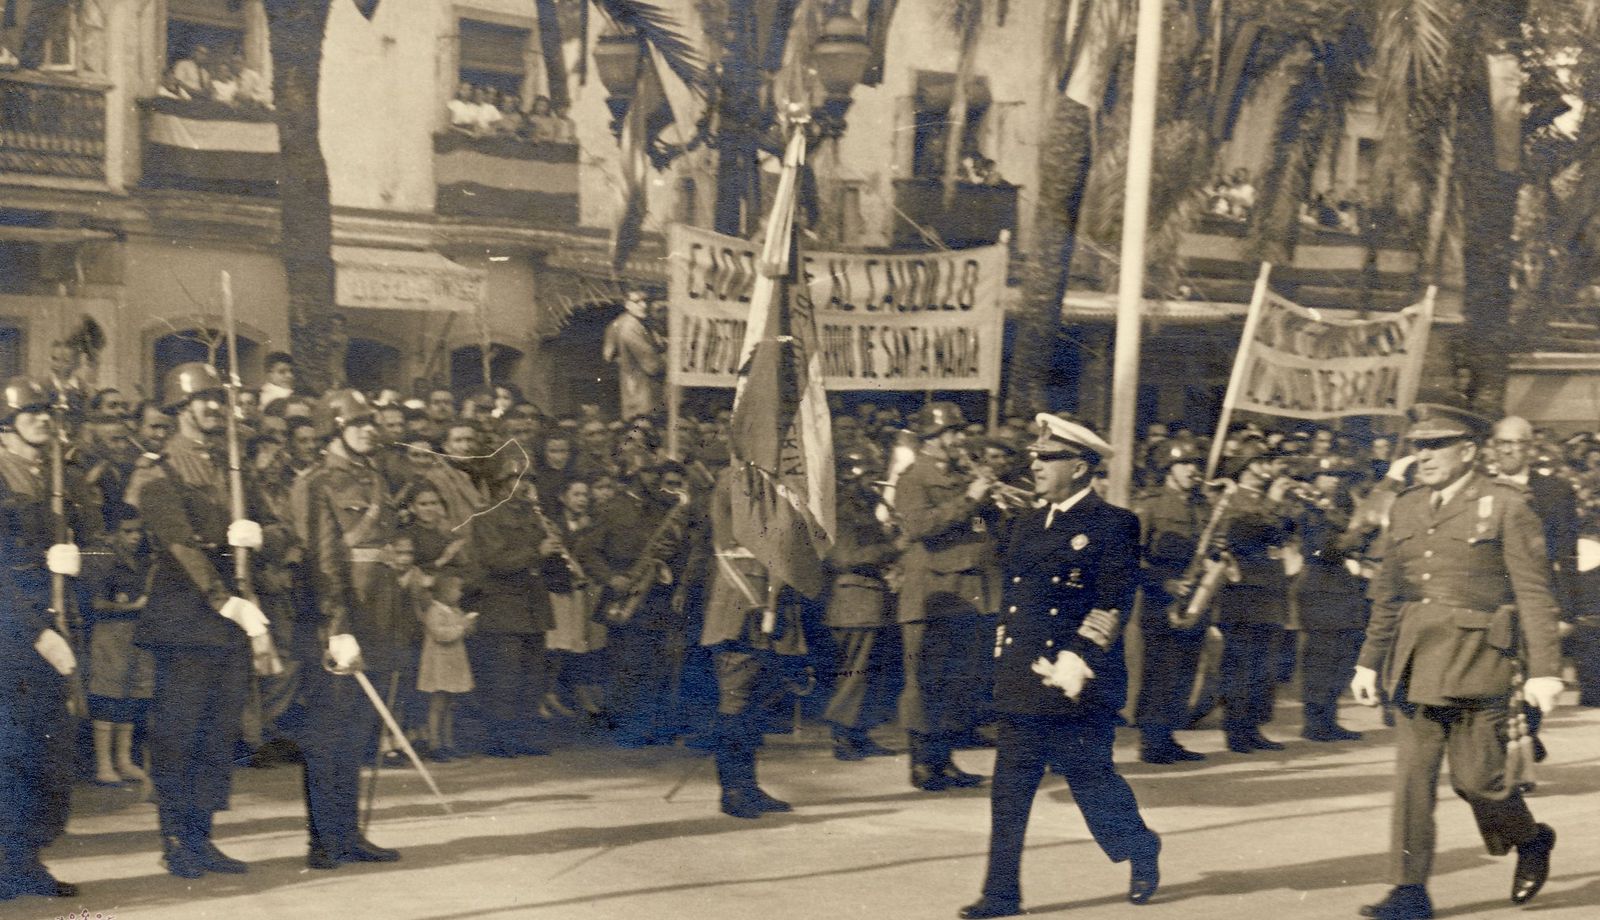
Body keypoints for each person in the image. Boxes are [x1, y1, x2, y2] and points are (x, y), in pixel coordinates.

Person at [1351, 404, 1564, 920]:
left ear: (1467, 452)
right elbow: (1388, 595)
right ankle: (1409, 891)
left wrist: (1543, 671)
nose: (1421, 457)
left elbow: (1534, 592)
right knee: (1411, 782)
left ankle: (1530, 838)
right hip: (1414, 662)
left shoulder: (1507, 505)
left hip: (1478, 661)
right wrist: (1367, 662)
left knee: (1479, 782)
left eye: (1434, 447)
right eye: (1417, 447)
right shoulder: (1404, 507)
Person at [960, 415, 1161, 919]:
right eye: (1034, 456)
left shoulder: (1114, 523)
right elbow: (1014, 598)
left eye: (1047, 458)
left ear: (1081, 466)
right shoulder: (1027, 522)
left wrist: (1080, 657)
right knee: (1010, 789)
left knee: (1092, 782)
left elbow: (1113, 600)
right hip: (1026, 676)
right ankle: (1001, 892)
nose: (1035, 464)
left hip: (1078, 681)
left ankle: (1139, 846)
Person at [131, 363, 275, 878]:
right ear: (179, 409)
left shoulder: (233, 469)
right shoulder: (158, 471)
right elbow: (179, 546)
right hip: (187, 619)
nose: (215, 407)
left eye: (219, 399)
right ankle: (175, 840)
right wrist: (224, 599)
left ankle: (202, 836)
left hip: (231, 620)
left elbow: (276, 525)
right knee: (179, 732)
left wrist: (260, 537)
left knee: (217, 733)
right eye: (203, 400)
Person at [286, 389, 403, 869]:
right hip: (335, 622)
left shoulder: (373, 476)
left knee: (356, 733)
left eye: (371, 422)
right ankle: (323, 841)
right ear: (335, 428)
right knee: (328, 733)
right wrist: (336, 626)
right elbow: (323, 560)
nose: (368, 430)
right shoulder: (315, 483)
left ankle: (350, 832)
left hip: (376, 616)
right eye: (357, 423)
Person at [0, 378, 81, 900]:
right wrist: (36, 632)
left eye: (45, 411)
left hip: (51, 624)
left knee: (43, 753)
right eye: (29, 413)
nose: (42, 419)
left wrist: (77, 563)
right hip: (11, 635)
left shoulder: (51, 476)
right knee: (9, 752)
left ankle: (25, 859)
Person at [895, 402, 996, 791]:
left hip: (965, 594)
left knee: (957, 682)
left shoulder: (958, 476)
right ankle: (922, 764)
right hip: (930, 594)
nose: (958, 440)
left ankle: (944, 760)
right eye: (951, 434)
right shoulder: (913, 477)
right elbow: (919, 525)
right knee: (925, 682)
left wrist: (990, 503)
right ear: (930, 440)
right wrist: (971, 498)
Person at [699, 464, 805, 818]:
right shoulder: (735, 478)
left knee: (756, 703)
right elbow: (748, 532)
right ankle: (732, 790)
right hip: (741, 601)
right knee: (736, 699)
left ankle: (748, 784)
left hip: (768, 601)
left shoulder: (770, 480)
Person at [463, 461, 557, 758]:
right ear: (501, 485)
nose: (524, 486)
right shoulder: (487, 516)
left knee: (531, 677)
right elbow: (496, 560)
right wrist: (537, 552)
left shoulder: (534, 515)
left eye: (527, 480)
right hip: (503, 604)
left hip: (532, 605)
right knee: (504, 679)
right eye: (516, 480)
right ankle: (501, 739)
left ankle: (524, 736)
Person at [1212, 442, 1295, 753]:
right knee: (1241, 667)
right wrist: (1273, 504)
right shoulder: (1232, 498)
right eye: (1265, 462)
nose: (1271, 468)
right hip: (1243, 595)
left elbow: (1283, 533)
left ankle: (1253, 728)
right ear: (1249, 467)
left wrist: (1283, 506)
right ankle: (1236, 732)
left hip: (1268, 593)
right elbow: (1243, 533)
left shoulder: (1264, 500)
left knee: (1263, 669)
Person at [1133, 436, 1211, 764]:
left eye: (1196, 464)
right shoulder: (1149, 505)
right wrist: (1164, 583)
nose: (1193, 471)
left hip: (1194, 598)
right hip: (1161, 599)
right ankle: (1151, 740)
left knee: (1184, 670)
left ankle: (1167, 735)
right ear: (1168, 468)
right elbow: (1128, 558)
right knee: (1160, 672)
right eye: (1185, 464)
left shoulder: (1202, 505)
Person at [822, 452, 899, 761]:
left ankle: (857, 733)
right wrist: (891, 548)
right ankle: (843, 736)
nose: (875, 485)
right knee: (854, 672)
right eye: (869, 478)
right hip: (854, 602)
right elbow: (844, 558)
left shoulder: (863, 512)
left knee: (866, 672)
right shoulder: (844, 513)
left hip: (867, 602)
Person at [1293, 457, 1372, 742]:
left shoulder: (1341, 509)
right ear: (1314, 479)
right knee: (1320, 657)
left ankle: (1329, 718)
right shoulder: (1309, 510)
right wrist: (1351, 539)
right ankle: (1315, 721)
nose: (1335, 480)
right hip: (1318, 584)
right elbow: (1319, 549)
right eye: (1327, 475)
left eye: (1338, 475)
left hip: (1339, 585)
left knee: (1340, 655)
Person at [83, 502, 156, 786]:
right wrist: (131, 606)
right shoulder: (101, 558)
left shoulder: (140, 560)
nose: (135, 537)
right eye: (128, 531)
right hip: (110, 633)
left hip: (134, 633)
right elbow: (96, 603)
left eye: (138, 531)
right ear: (112, 533)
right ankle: (103, 764)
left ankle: (123, 760)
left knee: (130, 694)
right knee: (107, 695)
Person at [417, 571, 476, 760]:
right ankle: (435, 744)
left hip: (453, 664)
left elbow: (463, 632)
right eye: (457, 589)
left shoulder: (455, 610)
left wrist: (468, 625)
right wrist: (461, 627)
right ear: (444, 592)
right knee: (438, 704)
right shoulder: (435, 611)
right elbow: (441, 635)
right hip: (439, 665)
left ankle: (448, 743)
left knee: (450, 705)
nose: (460, 593)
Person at [602, 289, 666, 421]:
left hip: (632, 388)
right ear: (627, 304)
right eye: (637, 301)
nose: (643, 305)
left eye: (645, 301)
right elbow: (653, 366)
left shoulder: (619, 323)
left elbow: (608, 355)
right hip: (644, 394)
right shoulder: (631, 327)